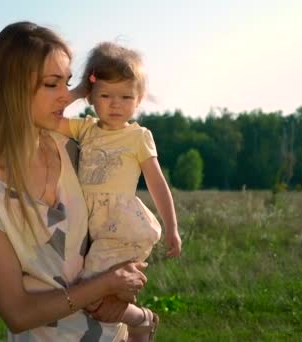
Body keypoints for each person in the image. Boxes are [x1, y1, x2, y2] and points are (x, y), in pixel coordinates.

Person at [0, 22, 148, 341]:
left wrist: (130, 293)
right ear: (12, 90)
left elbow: (115, 225)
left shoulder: (72, 149)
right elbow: (18, 314)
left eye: (68, 84)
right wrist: (105, 285)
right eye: (52, 84)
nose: (66, 97)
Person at [56, 42, 182, 342]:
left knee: (89, 293)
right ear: (92, 96)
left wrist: (172, 228)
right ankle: (129, 329)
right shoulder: (85, 129)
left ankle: (142, 321)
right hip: (90, 227)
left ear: (138, 100)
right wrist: (77, 92)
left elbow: (157, 183)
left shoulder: (138, 137)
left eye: (126, 96)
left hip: (121, 227)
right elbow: (44, 116)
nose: (116, 104)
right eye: (106, 95)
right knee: (107, 297)